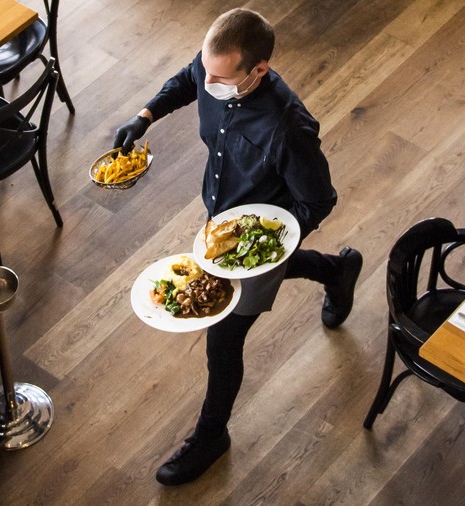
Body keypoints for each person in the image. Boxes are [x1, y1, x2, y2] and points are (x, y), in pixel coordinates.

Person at [113, 8, 363, 486]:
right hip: (220, 217)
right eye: (207, 69)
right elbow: (189, 79)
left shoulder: (288, 129)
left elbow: (319, 200)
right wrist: (145, 116)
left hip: (259, 230)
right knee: (245, 296)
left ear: (259, 70)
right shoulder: (215, 70)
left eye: (219, 77)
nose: (208, 82)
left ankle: (212, 436)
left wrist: (266, 247)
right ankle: (336, 270)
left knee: (223, 342)